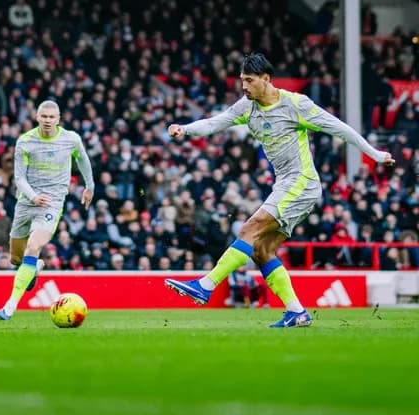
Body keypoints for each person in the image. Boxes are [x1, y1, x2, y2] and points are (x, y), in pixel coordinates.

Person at [164, 53, 394, 328]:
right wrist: (184, 129)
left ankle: (205, 285)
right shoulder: (246, 107)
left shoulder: (296, 104)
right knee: (261, 249)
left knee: (249, 229)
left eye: (249, 81)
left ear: (266, 79)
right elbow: (215, 122)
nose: (244, 87)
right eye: (242, 81)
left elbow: (340, 129)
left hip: (302, 182)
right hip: (284, 183)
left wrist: (375, 154)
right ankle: (296, 312)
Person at [0, 100, 95, 320]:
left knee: (33, 246)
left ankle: (10, 305)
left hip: (52, 202)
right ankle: (35, 268)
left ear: (58, 119)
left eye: (52, 117)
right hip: (27, 202)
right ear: (37, 117)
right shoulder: (25, 141)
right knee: (16, 259)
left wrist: (90, 186)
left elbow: (83, 159)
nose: (48, 121)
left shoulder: (71, 139)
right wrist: (33, 196)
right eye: (44, 117)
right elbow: (19, 177)